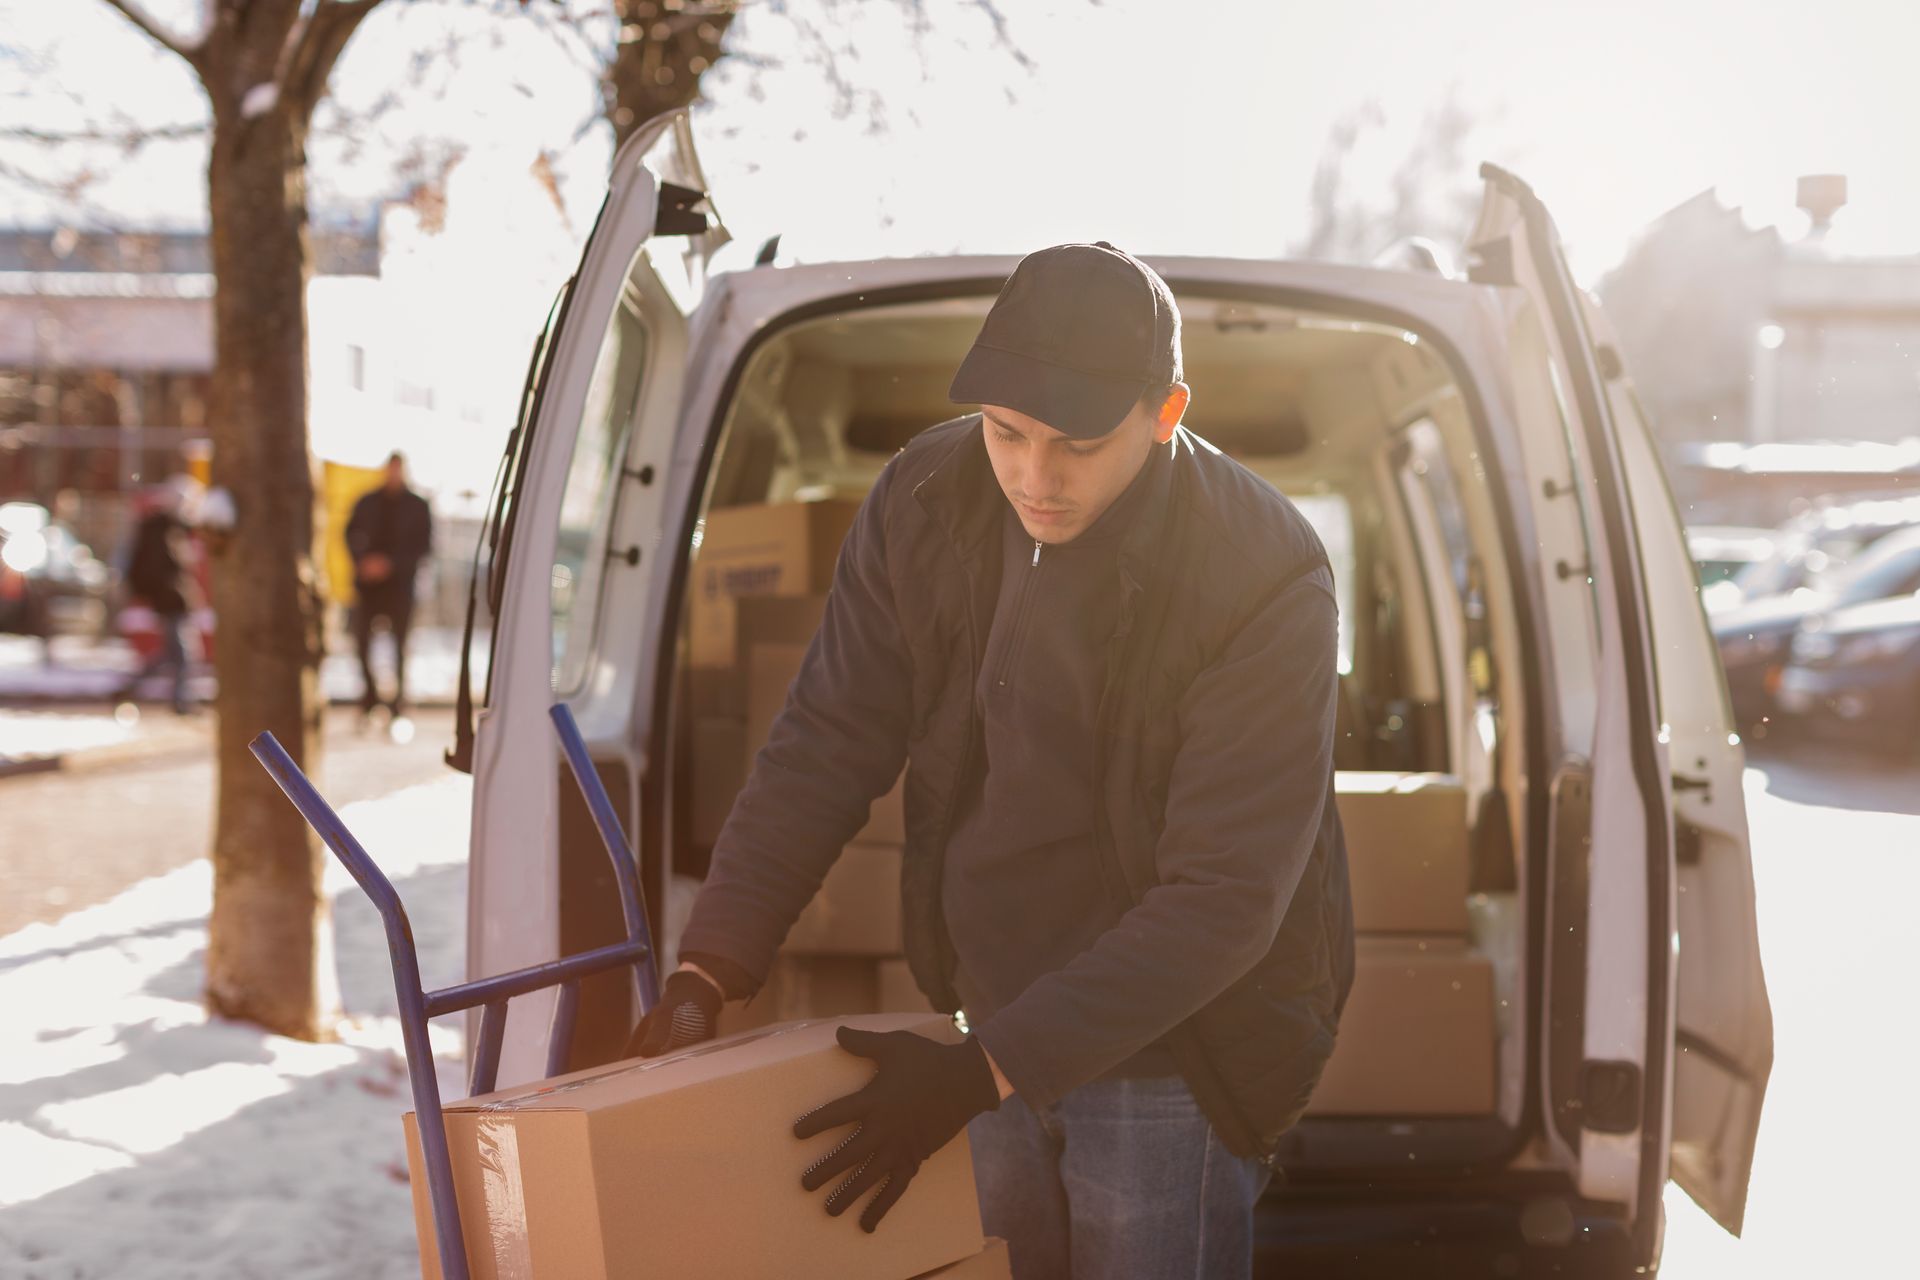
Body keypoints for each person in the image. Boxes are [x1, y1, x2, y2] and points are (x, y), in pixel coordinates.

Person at [629, 243, 1353, 1278]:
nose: (1033, 476)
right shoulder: (926, 496)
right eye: (1007, 431)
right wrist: (713, 964)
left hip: (1177, 1044)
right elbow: (830, 736)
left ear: (1167, 412)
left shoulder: (1262, 571)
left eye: (1077, 443)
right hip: (986, 1005)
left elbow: (1225, 897)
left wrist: (979, 1072)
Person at [345, 451, 432, 725]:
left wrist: (391, 564)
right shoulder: (368, 501)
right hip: (368, 588)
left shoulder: (417, 506)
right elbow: (349, 533)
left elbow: (424, 547)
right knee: (360, 642)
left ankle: (398, 703)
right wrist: (363, 562)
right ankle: (370, 698)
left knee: (400, 645)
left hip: (401, 587)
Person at [117, 489, 194, 715]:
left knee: (171, 654)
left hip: (171, 599)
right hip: (170, 600)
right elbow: (161, 570)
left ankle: (132, 687)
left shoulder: (167, 529)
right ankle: (180, 703)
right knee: (181, 655)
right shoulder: (163, 531)